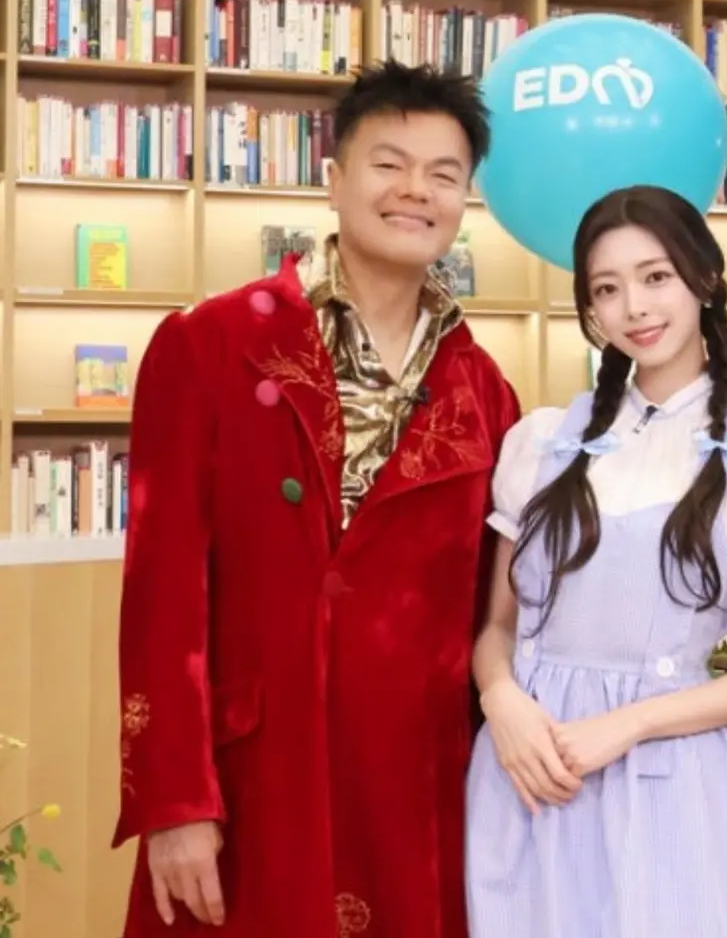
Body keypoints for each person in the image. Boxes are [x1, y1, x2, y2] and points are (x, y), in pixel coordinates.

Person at [111, 59, 521, 938]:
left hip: (415, 793)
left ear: (464, 202)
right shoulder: (210, 344)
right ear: (333, 180)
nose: (415, 191)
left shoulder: (486, 392)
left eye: (443, 175)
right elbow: (161, 593)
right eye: (388, 164)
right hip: (253, 776)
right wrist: (174, 799)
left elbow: (498, 610)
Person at [464, 184, 727, 938]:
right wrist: (501, 700)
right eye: (607, 288)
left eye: (656, 276)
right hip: (530, 774)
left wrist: (626, 726)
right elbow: (498, 627)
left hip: (670, 777)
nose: (634, 306)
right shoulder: (541, 441)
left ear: (705, 277)